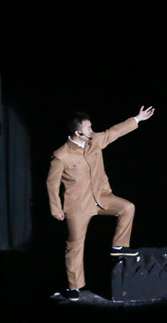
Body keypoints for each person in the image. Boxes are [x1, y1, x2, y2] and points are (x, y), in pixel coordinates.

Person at [46, 105, 156, 300]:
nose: (92, 130)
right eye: (88, 128)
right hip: (77, 205)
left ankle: (119, 246)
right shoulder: (61, 155)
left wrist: (137, 119)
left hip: (101, 197)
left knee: (127, 207)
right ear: (78, 132)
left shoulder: (94, 142)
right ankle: (74, 287)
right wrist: (56, 208)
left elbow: (114, 132)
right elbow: (51, 183)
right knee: (75, 245)